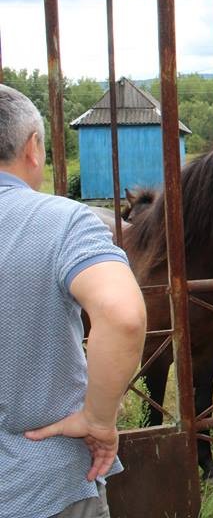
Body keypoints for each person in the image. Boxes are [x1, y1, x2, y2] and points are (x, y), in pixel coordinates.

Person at [0, 84, 147, 518]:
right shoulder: (62, 222)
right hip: (41, 482)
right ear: (33, 148)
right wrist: (98, 420)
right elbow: (122, 315)